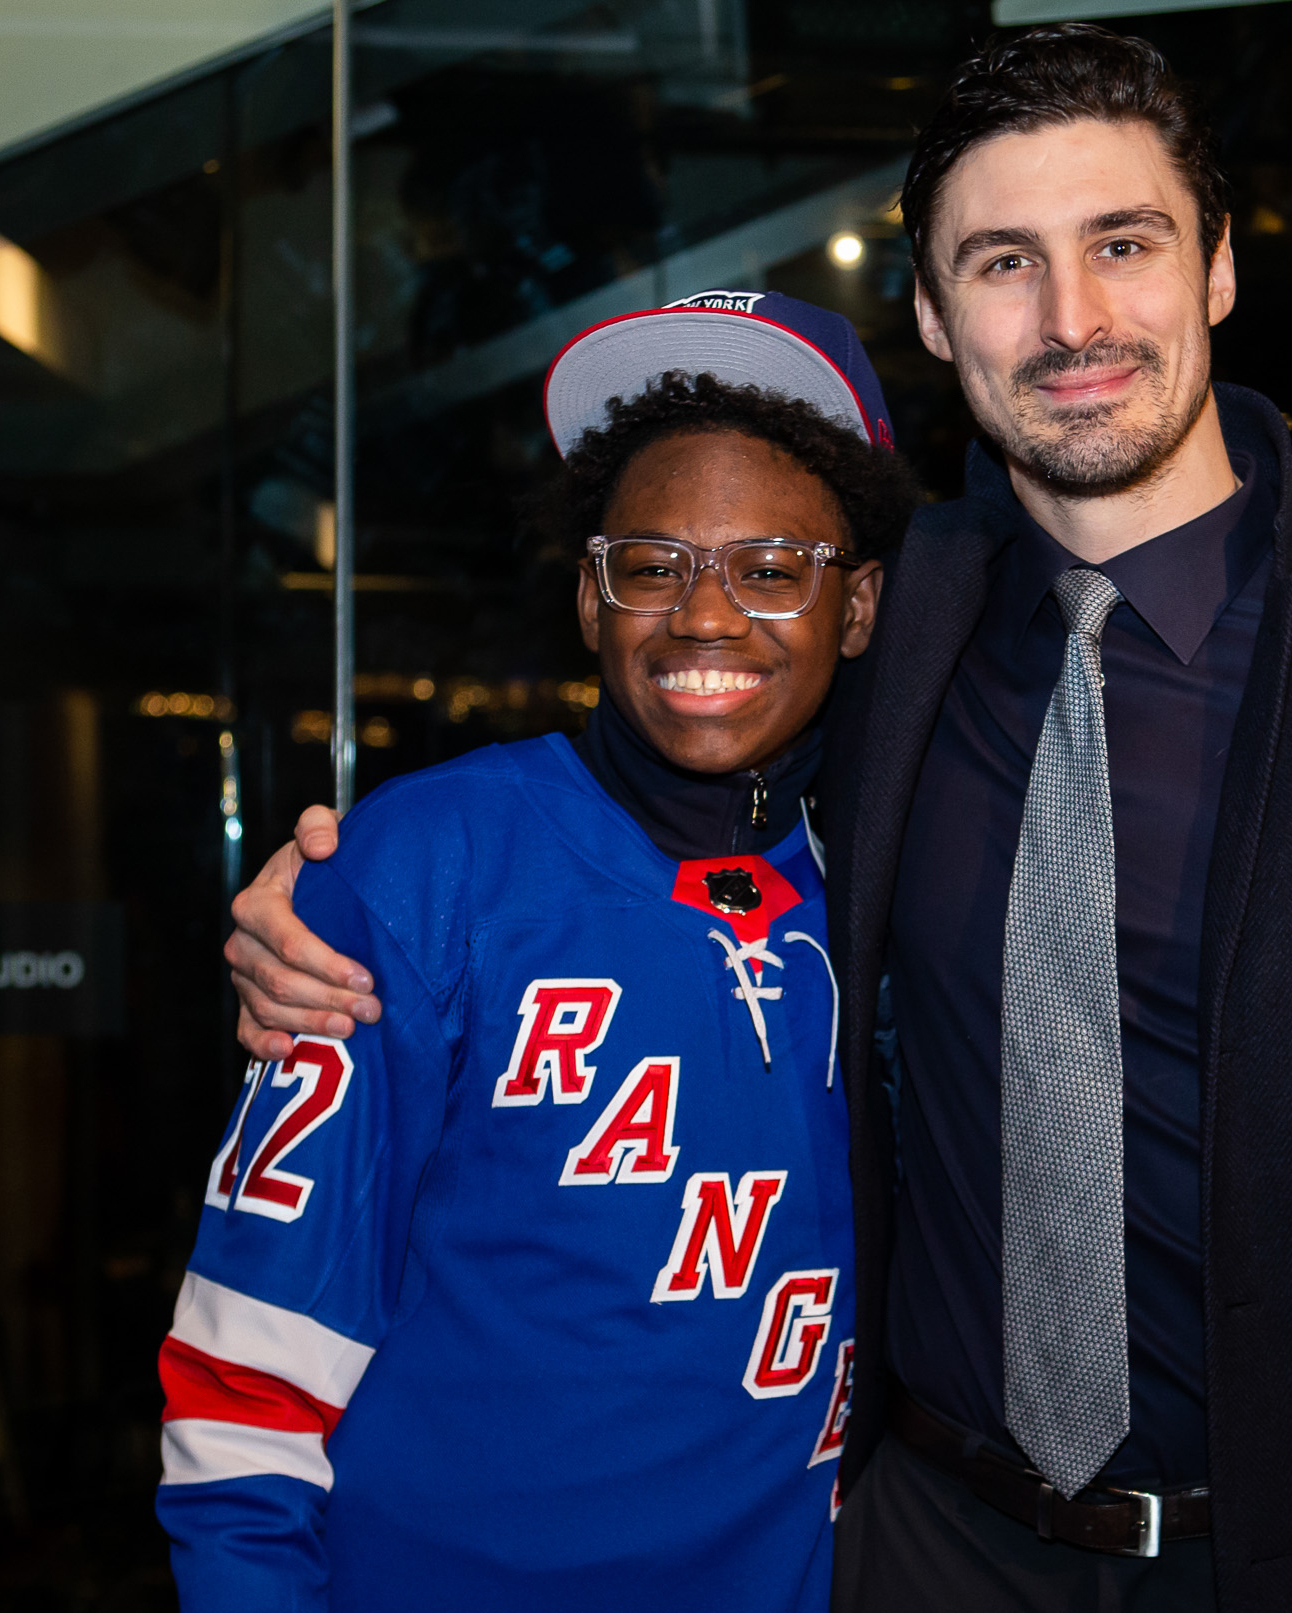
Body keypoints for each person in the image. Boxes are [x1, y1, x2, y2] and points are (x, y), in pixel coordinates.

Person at [220, 27, 1292, 1613]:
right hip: (926, 1541)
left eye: (1120, 245)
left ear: (1212, 269)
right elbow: (645, 744)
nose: (1070, 321)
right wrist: (327, 911)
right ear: (932, 314)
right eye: (1003, 262)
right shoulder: (875, 630)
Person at [155, 294, 915, 1610]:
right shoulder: (421, 867)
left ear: (855, 609)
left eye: (773, 565)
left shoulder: (905, 880)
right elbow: (248, 1374)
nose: (707, 617)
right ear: (587, 595)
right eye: (653, 562)